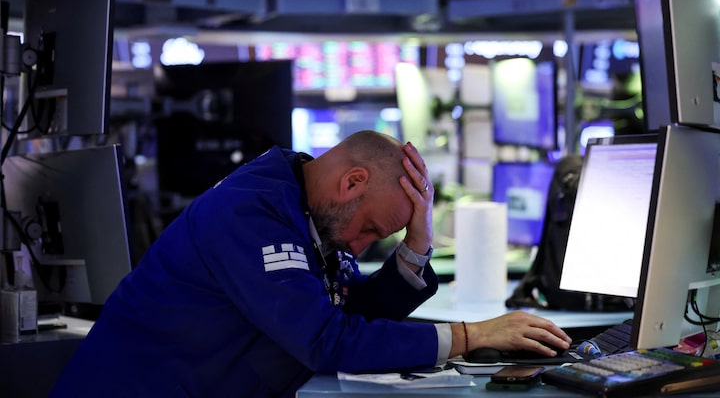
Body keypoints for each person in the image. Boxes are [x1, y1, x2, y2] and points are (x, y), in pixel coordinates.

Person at [51, 130, 571, 397]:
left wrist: (417, 244)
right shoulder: (250, 214)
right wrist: (471, 336)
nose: (361, 249)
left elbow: (349, 314)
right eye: (370, 228)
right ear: (352, 182)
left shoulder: (309, 208)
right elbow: (327, 341)